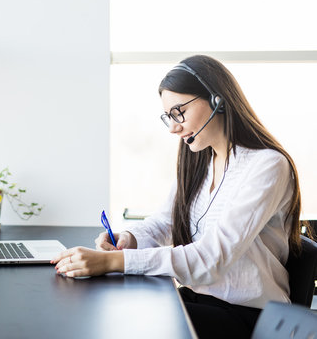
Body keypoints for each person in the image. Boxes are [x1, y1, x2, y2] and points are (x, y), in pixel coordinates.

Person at [51, 55, 303, 339]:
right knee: (113, 309)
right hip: (201, 301)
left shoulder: (266, 165)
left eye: (179, 112)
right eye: (168, 117)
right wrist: (129, 238)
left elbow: (210, 259)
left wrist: (112, 262)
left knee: (128, 324)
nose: (174, 127)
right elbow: (165, 222)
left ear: (217, 100)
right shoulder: (200, 161)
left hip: (251, 316)